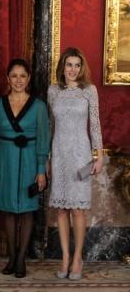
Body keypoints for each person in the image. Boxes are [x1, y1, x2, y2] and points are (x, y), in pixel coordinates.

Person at [0, 59, 50, 278]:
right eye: (14, 76)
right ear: (8, 79)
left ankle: (21, 257)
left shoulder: (39, 106)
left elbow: (43, 139)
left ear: (29, 79)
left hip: (30, 160)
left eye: (23, 76)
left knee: (26, 210)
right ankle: (11, 257)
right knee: (8, 210)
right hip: (5, 159)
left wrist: (41, 169)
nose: (18, 80)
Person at [48, 47, 103, 280]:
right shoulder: (53, 91)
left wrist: (99, 156)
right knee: (61, 209)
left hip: (81, 155)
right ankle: (65, 257)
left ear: (82, 68)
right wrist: (47, 159)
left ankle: (78, 257)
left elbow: (95, 124)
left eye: (76, 65)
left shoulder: (89, 91)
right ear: (62, 67)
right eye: (69, 65)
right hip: (59, 154)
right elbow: (50, 126)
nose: (72, 69)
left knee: (78, 210)